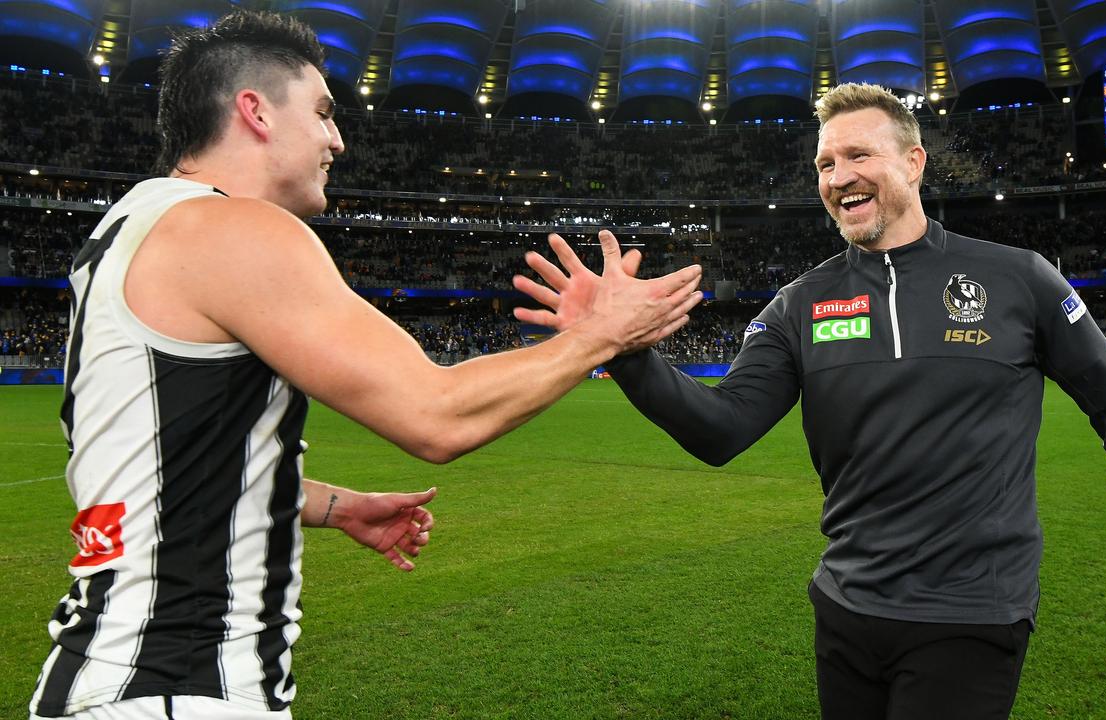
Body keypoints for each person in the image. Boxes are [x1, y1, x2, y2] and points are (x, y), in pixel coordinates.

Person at [31, 11, 701, 720]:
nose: (336, 139)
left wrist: (331, 505)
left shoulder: (128, 229)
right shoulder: (231, 229)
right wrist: (601, 335)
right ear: (255, 111)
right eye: (322, 113)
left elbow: (164, 461)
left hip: (111, 674)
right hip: (178, 685)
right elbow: (436, 416)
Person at [516, 83, 1106, 719]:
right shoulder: (799, 304)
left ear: (914, 162)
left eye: (857, 155)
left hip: (969, 614)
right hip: (844, 608)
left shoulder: (1018, 278)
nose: (837, 176)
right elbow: (719, 430)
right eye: (824, 163)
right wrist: (622, 348)